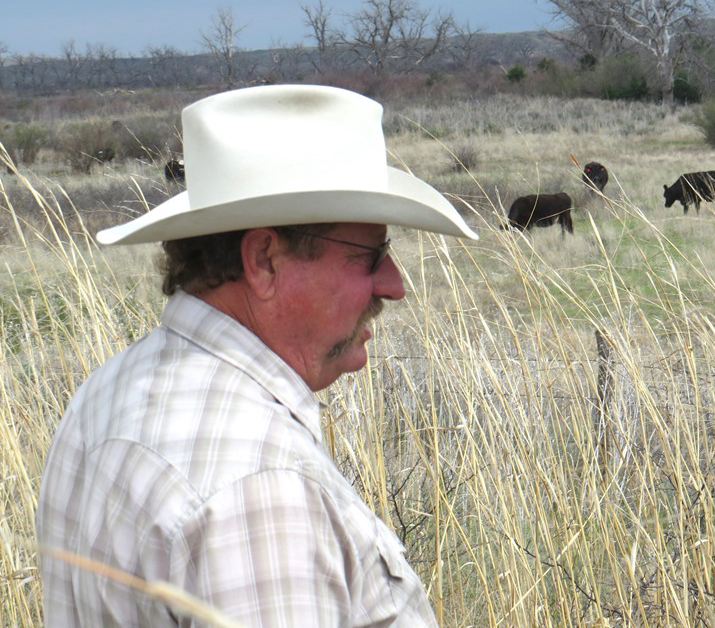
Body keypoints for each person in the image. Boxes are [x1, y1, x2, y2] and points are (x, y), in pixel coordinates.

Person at [36, 84, 477, 626]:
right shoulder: (260, 492)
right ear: (265, 259)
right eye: (371, 255)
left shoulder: (109, 391)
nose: (393, 285)